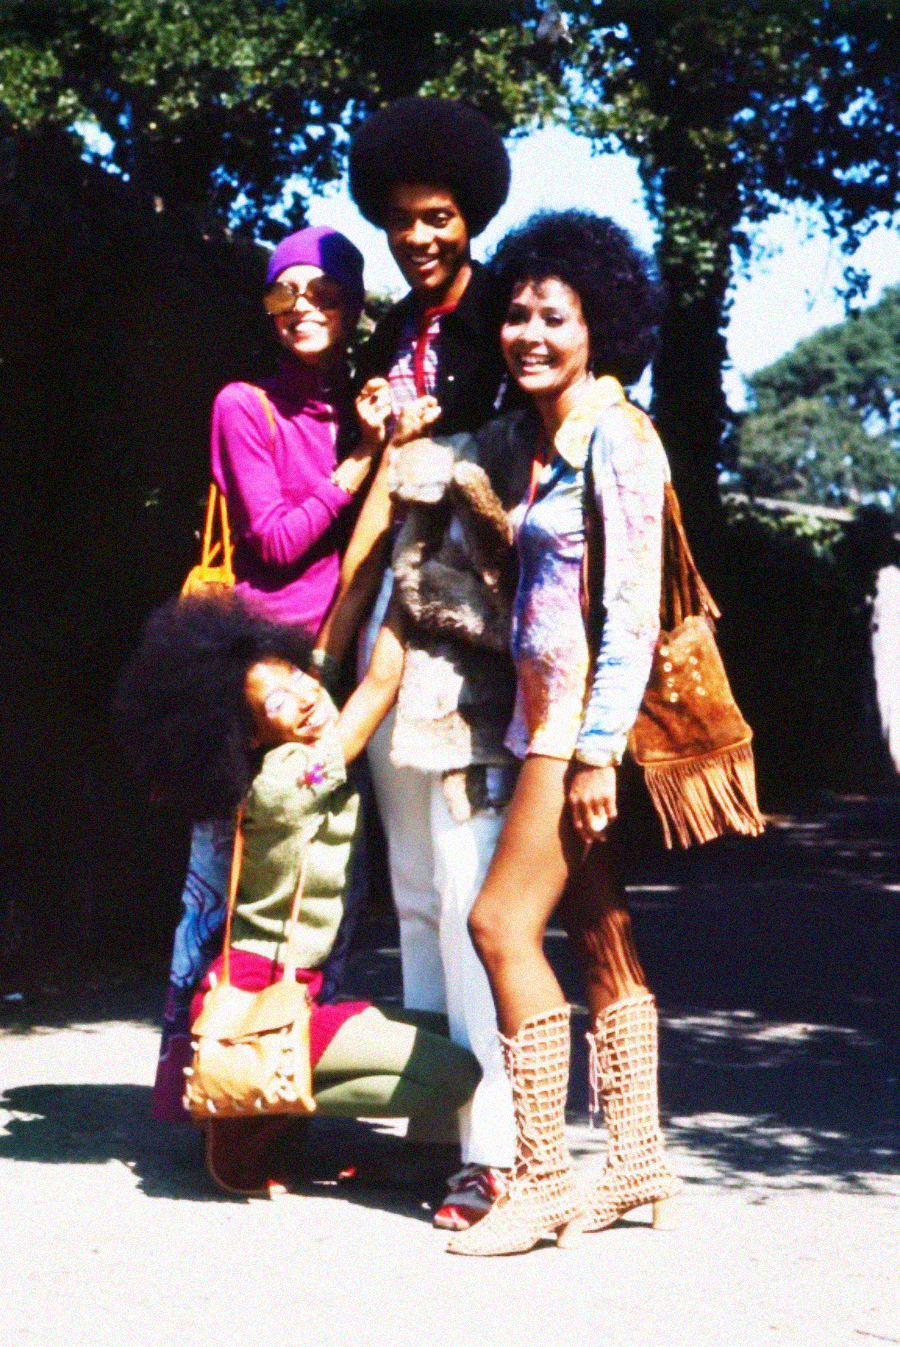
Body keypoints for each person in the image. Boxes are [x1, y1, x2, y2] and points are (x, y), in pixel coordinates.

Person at [438, 211, 683, 1255]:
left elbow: (632, 607)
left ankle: (540, 1183)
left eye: (556, 315)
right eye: (518, 313)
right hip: (544, 716)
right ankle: (633, 1163)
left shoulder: (620, 436)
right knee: (597, 929)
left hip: (572, 730)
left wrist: (595, 752)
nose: (529, 332)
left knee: (498, 925)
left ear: (601, 324)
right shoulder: (548, 439)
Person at [314, 96, 520, 1230]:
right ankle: (437, 1126)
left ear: (471, 210)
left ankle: (495, 1153)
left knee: (466, 886)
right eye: (400, 219)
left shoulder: (511, 314)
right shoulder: (394, 331)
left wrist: (431, 446)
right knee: (410, 896)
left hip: (469, 640)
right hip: (387, 625)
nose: (419, 237)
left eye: (437, 216)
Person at [115, 593, 480, 1197]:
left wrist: (324, 650)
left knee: (449, 1032)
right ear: (250, 737)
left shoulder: (302, 719)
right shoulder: (286, 780)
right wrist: (404, 597)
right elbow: (379, 684)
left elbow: (323, 672)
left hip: (292, 987)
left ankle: (257, 1102)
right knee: (454, 1072)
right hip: (260, 994)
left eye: (298, 677)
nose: (306, 697)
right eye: (278, 703)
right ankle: (251, 1099)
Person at [153, 226, 386, 1123]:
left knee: (324, 889)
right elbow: (277, 540)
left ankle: (283, 1096)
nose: (304, 309)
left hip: (331, 676)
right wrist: (358, 465)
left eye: (324, 293)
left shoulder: (358, 412)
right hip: (252, 685)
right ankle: (200, 1100)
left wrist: (369, 441)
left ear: (353, 308)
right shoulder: (243, 405)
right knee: (228, 887)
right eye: (285, 293)